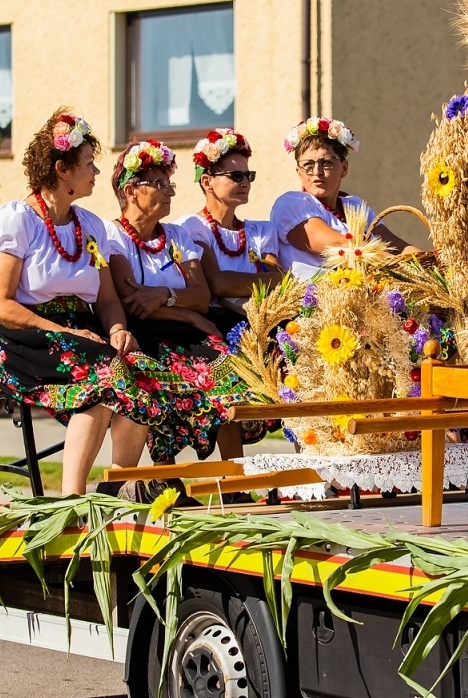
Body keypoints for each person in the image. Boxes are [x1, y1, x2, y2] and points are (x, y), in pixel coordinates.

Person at [0, 108, 202, 497]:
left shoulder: (91, 226)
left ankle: (119, 484)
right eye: (88, 164)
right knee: (103, 381)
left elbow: (106, 299)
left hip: (82, 336)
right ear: (62, 170)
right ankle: (72, 499)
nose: (96, 173)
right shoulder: (18, 220)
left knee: (140, 371)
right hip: (27, 337)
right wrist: (64, 330)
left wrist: (118, 329)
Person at [103, 138, 246, 464]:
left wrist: (163, 295)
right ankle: (162, 476)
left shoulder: (177, 238)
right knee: (159, 377)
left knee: (227, 372)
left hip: (183, 334)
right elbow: (132, 304)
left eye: (170, 183)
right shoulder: (113, 237)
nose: (170, 192)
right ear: (131, 191)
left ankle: (234, 476)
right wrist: (193, 317)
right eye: (159, 184)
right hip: (148, 335)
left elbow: (200, 295)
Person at [269, 116, 418, 277]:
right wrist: (408, 272)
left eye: (326, 162)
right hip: (313, 299)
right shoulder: (292, 204)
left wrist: (433, 261)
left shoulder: (354, 206)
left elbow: (398, 247)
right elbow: (344, 246)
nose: (317, 172)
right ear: (299, 172)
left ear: (344, 168)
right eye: (308, 165)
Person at [173, 128, 282, 329]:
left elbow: (279, 277)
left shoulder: (261, 231)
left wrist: (235, 283)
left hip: (262, 322)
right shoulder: (192, 227)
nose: (246, 182)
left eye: (249, 175)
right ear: (207, 182)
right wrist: (263, 281)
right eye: (236, 175)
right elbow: (217, 283)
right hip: (216, 324)